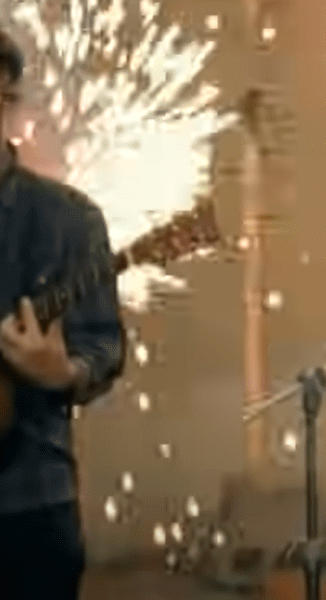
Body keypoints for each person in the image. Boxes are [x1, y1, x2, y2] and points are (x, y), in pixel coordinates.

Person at [0, 30, 127, 600]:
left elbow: (104, 345)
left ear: (7, 101)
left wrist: (63, 372)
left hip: (28, 503)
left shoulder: (70, 220)